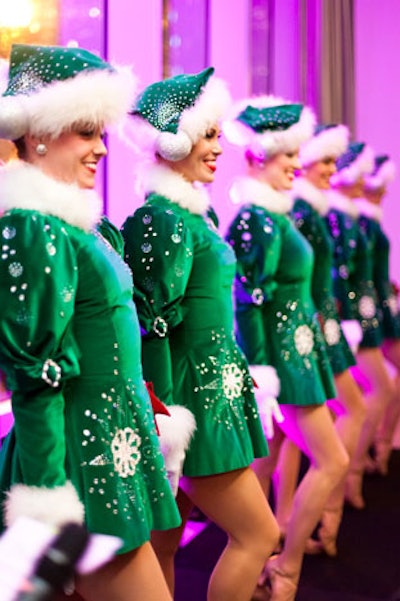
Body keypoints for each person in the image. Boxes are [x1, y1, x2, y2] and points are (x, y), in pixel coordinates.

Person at [0, 43, 181, 601]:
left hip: (108, 441)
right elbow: (35, 376)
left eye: (102, 133)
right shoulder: (36, 227)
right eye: (86, 132)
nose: (102, 148)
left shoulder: (72, 226)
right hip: (79, 457)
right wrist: (50, 496)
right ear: (37, 133)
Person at [121, 68, 280, 601]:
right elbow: (153, 325)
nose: (217, 148)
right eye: (207, 135)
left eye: (217, 135)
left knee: (164, 544)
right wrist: (164, 424)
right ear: (174, 139)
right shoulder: (162, 219)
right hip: (194, 404)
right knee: (260, 534)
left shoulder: (193, 212)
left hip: (211, 393)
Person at [223, 97, 349, 601]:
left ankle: (260, 564)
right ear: (256, 158)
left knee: (266, 464)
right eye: (287, 155)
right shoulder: (256, 219)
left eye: (298, 154)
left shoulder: (273, 215)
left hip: (296, 352)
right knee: (333, 460)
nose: (296, 164)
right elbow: (247, 300)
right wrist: (261, 369)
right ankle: (287, 568)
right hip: (283, 362)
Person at [276, 124, 366, 556]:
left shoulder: (309, 213)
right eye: (326, 160)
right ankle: (298, 528)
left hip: (317, 325)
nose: (333, 169)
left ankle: (293, 525)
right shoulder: (299, 213)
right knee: (292, 438)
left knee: (286, 440)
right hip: (301, 333)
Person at [326, 142, 395, 509]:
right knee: (370, 394)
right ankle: (350, 473)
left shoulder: (357, 218)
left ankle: (362, 462)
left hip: (366, 310)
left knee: (372, 393)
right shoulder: (340, 219)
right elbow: (338, 273)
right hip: (349, 318)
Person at [356, 154, 400, 476]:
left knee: (383, 385)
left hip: (381, 302)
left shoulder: (368, 219)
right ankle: (362, 459)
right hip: (365, 308)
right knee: (378, 387)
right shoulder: (358, 222)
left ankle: (380, 443)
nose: (384, 191)